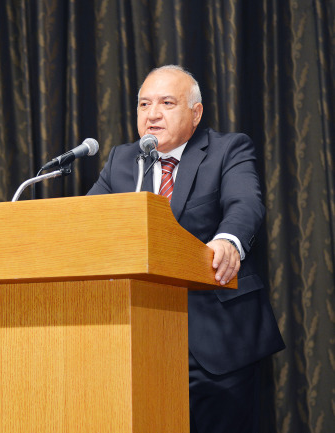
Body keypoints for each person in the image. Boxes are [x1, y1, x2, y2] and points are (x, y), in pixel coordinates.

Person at [88, 65, 285, 433]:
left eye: (166, 103)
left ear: (195, 113)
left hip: (217, 343)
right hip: (139, 343)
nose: (152, 114)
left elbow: (245, 204)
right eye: (144, 104)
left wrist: (229, 241)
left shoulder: (228, 149)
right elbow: (85, 223)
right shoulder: (121, 162)